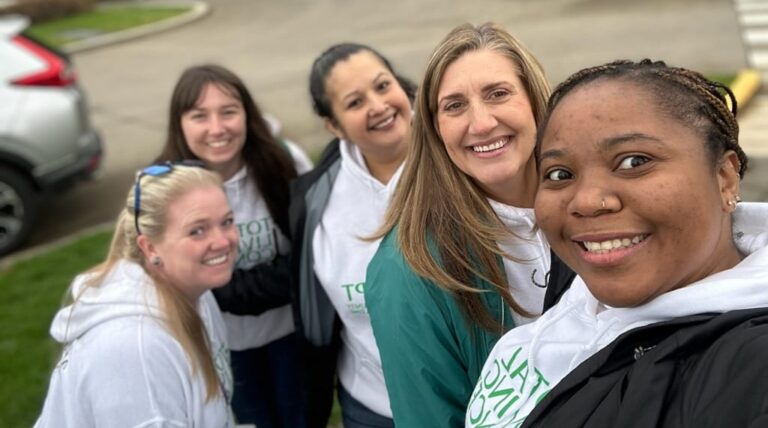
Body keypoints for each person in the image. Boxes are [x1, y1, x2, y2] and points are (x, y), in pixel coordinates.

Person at [467, 59, 768, 428]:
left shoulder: (748, 362)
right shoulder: (575, 296)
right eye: (559, 174)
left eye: (633, 161)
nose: (587, 201)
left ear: (725, 178)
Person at [364, 22, 564, 427]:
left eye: (498, 94)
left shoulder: (591, 205)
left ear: (535, 102)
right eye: (455, 106)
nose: (482, 123)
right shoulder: (409, 271)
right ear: (435, 129)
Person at [155, 64, 312, 427]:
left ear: (247, 114)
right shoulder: (163, 188)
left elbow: (313, 255)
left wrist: (219, 285)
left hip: (291, 335)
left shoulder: (285, 163)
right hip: (219, 346)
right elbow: (168, 277)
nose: (217, 128)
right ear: (179, 123)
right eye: (199, 115)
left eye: (228, 111)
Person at [34, 163, 237, 427]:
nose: (222, 241)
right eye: (197, 230)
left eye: (227, 222)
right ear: (149, 246)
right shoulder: (135, 352)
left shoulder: (195, 292)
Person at [286, 43, 416, 428]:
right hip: (372, 409)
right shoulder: (315, 204)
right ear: (334, 125)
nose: (377, 105)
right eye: (355, 102)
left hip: (475, 396)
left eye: (382, 85)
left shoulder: (463, 160)